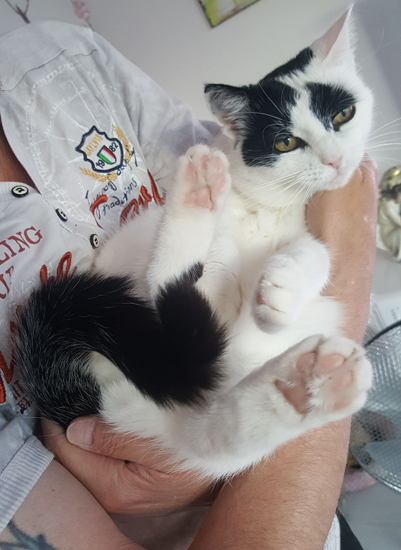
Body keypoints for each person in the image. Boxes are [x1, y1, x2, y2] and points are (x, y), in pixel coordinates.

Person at [0, 20, 377, 550]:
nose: (336, 158)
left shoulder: (60, 53)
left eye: (342, 119)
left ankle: (180, 293)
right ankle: (180, 292)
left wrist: (339, 250)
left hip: (220, 421)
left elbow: (225, 166)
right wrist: (348, 258)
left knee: (212, 409)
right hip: (145, 423)